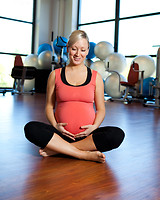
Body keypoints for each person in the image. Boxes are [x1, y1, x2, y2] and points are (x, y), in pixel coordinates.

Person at [24, 30, 125, 163]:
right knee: (30, 128)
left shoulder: (96, 77)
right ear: (67, 49)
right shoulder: (55, 75)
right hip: (60, 134)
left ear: (88, 50)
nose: (78, 54)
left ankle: (58, 150)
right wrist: (55, 125)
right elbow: (49, 106)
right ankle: (83, 154)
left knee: (117, 135)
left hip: (87, 136)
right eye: (74, 49)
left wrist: (94, 127)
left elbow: (101, 109)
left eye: (83, 50)